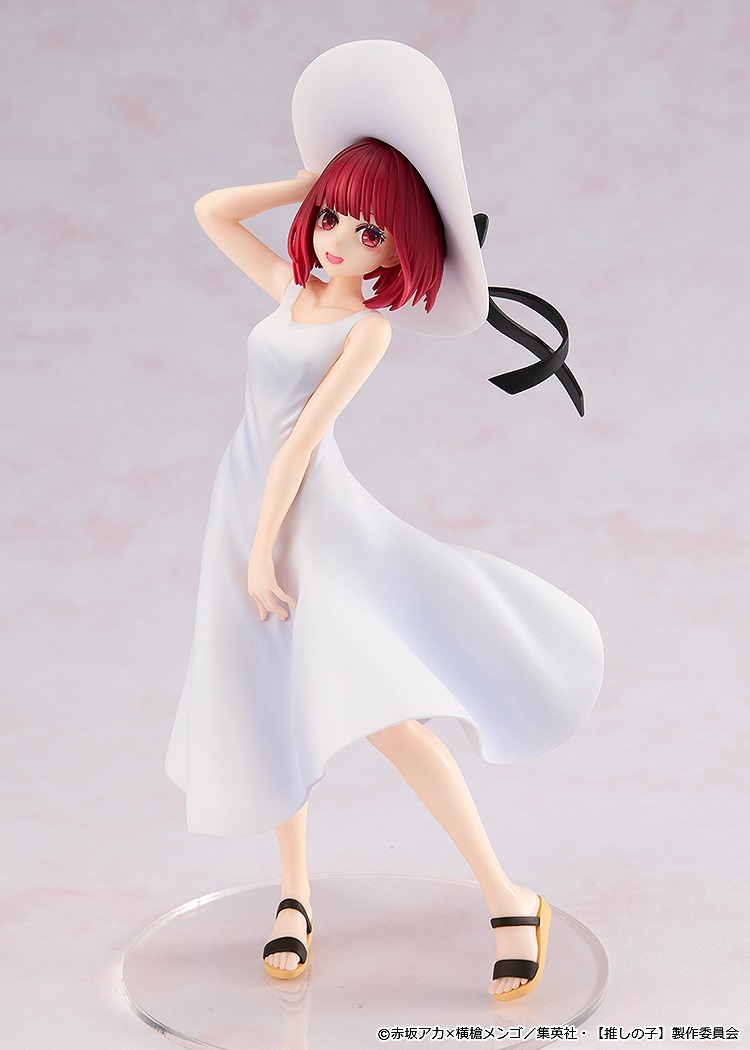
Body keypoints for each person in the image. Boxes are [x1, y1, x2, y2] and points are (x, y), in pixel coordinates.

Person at [165, 41, 603, 1003]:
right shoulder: (290, 294)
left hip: (305, 518)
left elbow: (299, 445)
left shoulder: (364, 330)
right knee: (273, 698)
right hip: (242, 504)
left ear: (400, 251)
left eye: (367, 231)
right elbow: (209, 211)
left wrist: (261, 552)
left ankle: (508, 897)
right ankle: (293, 898)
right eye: (332, 218)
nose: (337, 241)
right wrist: (303, 180)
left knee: (386, 713)